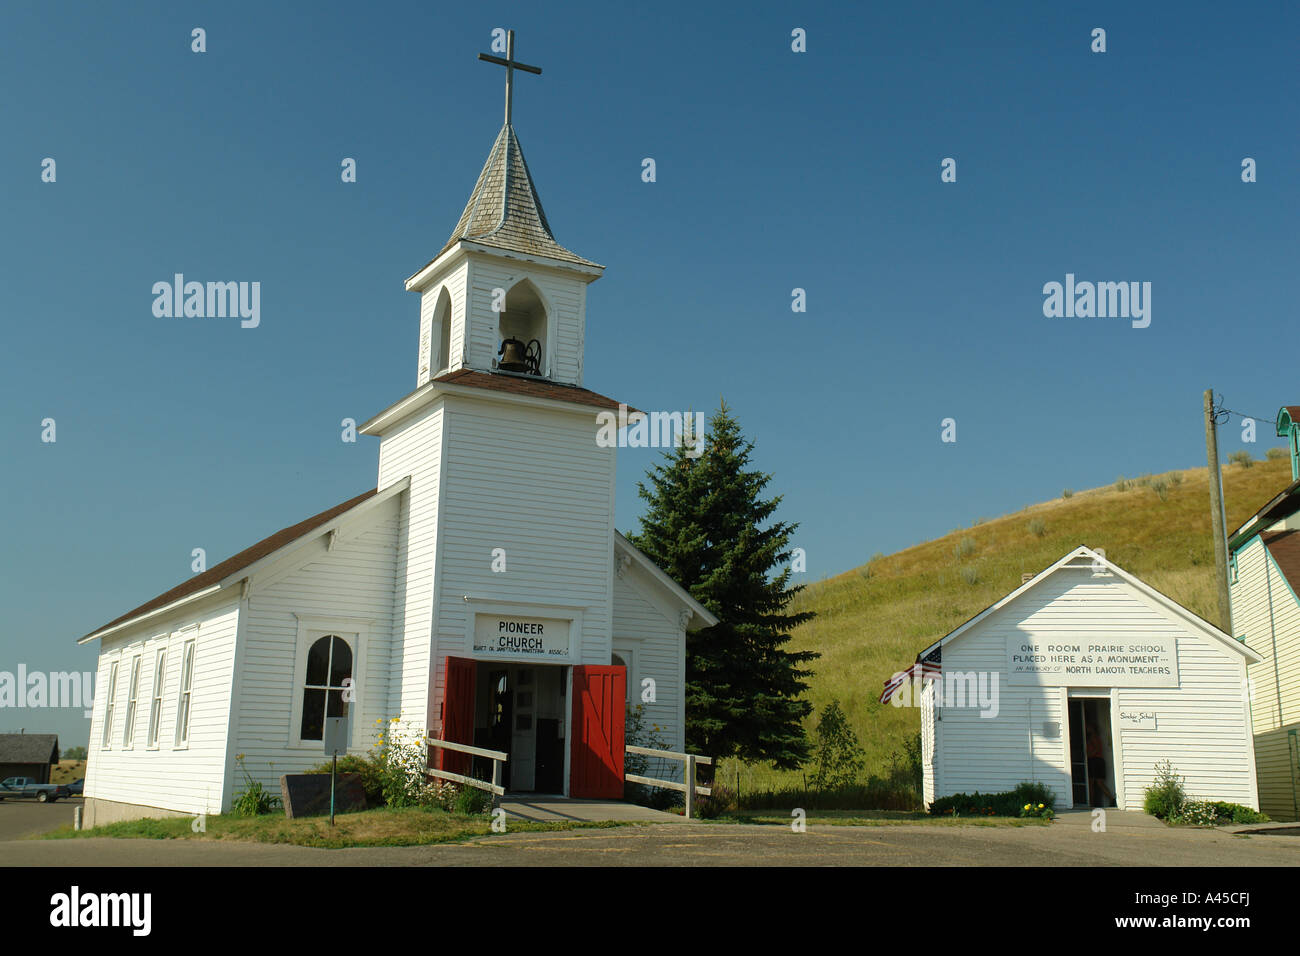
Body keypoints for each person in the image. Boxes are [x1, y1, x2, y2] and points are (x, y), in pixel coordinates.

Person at [1086, 726, 1116, 807]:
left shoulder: (1093, 737)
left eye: (1088, 727)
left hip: (1095, 760)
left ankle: (1091, 803)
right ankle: (1111, 798)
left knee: (1091, 783)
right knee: (1098, 783)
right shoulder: (1095, 737)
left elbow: (1096, 749)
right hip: (1098, 761)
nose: (1086, 728)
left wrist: (1088, 755)